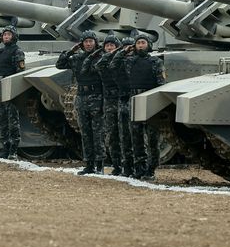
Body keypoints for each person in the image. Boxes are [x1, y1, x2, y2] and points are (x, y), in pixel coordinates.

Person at [111, 34, 165, 180]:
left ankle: (151, 169)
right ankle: (139, 168)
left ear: (148, 45)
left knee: (152, 139)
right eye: (138, 43)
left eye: (143, 43)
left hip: (150, 101)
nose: (141, 45)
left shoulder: (156, 61)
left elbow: (161, 83)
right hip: (134, 101)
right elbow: (113, 64)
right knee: (136, 139)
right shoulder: (130, 61)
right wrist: (123, 51)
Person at [57, 30, 104, 175]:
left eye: (91, 41)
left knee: (98, 133)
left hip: (96, 96)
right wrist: (71, 50)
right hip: (81, 97)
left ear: (95, 43)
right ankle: (89, 164)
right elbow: (60, 64)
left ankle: (100, 165)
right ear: (81, 44)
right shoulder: (77, 58)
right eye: (86, 41)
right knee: (85, 133)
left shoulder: (100, 58)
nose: (88, 44)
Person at [0, 26, 25, 159]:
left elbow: (19, 72)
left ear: (14, 36)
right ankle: (4, 148)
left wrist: (14, 92)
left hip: (11, 86)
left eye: (8, 34)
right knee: (2, 120)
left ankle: (13, 150)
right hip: (0, 85)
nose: (6, 37)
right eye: (4, 35)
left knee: (12, 121)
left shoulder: (17, 51)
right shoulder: (1, 51)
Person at [95, 34, 124, 176]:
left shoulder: (124, 60)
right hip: (109, 101)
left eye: (112, 45)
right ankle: (117, 165)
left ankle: (128, 165)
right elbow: (99, 65)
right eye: (107, 46)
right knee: (112, 135)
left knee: (125, 134)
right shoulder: (103, 62)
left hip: (123, 99)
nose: (110, 48)